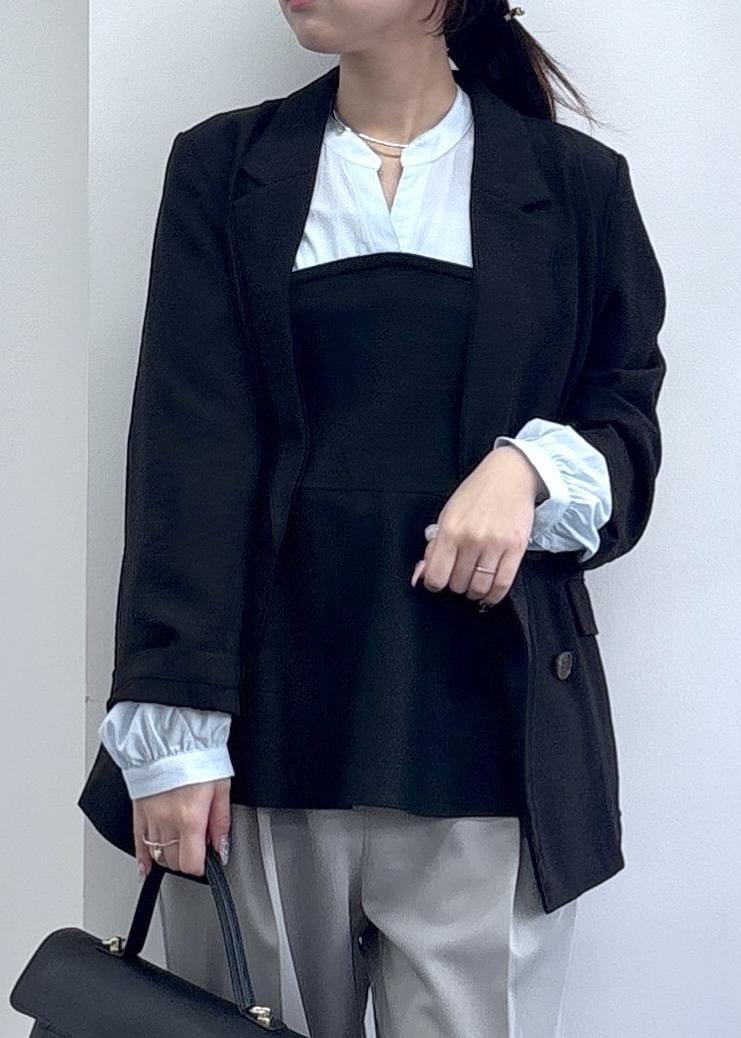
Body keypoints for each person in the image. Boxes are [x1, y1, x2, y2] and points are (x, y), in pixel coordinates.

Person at [77, 1, 667, 1035]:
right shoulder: (226, 166)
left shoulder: (575, 185)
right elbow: (185, 451)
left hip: (490, 734)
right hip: (261, 737)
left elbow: (624, 416)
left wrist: (528, 468)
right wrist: (170, 731)